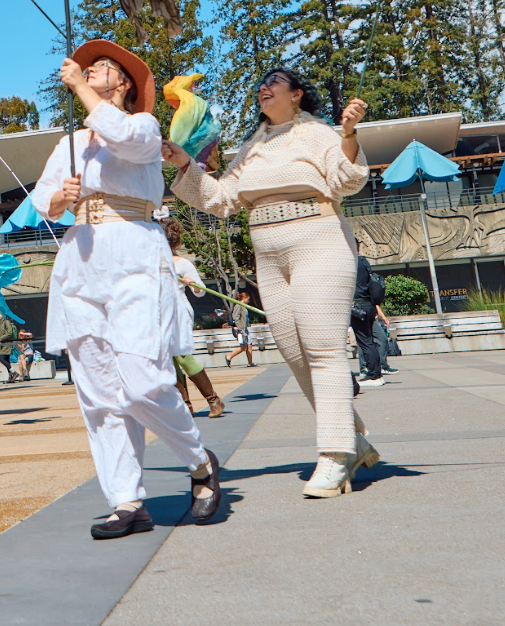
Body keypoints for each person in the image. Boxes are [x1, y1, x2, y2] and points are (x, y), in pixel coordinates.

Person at [33, 42, 220, 539]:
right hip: (82, 261)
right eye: (87, 65)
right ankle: (126, 500)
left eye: (103, 66)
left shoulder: (143, 126)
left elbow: (123, 140)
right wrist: (60, 197)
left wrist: (77, 86)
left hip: (135, 256)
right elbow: (41, 197)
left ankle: (200, 460)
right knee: (99, 394)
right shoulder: (73, 140)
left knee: (142, 379)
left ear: (125, 85)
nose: (91, 67)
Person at [167, 66, 381, 499]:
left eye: (274, 83)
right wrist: (185, 163)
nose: (263, 88)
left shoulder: (321, 134)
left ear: (297, 94)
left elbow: (348, 179)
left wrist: (350, 135)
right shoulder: (251, 147)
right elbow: (221, 199)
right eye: (261, 83)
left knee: (322, 348)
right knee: (294, 351)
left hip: (318, 240)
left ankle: (335, 455)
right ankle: (353, 439)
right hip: (267, 250)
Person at [163, 221, 227, 419]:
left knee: (182, 356)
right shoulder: (151, 263)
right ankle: (185, 406)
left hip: (178, 311)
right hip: (159, 314)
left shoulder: (183, 264)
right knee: (169, 360)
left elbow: (199, 292)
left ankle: (214, 400)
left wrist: (192, 284)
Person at [351, 255, 388, 388]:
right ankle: (376, 373)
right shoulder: (363, 261)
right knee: (369, 341)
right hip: (369, 305)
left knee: (365, 342)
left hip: (358, 306)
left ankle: (374, 375)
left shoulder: (352, 261)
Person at [224, 290, 256, 367]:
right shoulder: (239, 306)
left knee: (249, 345)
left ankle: (250, 362)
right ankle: (229, 357)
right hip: (240, 329)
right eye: (247, 299)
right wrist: (238, 327)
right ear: (244, 298)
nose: (248, 300)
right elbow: (235, 317)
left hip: (244, 328)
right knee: (244, 346)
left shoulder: (243, 306)